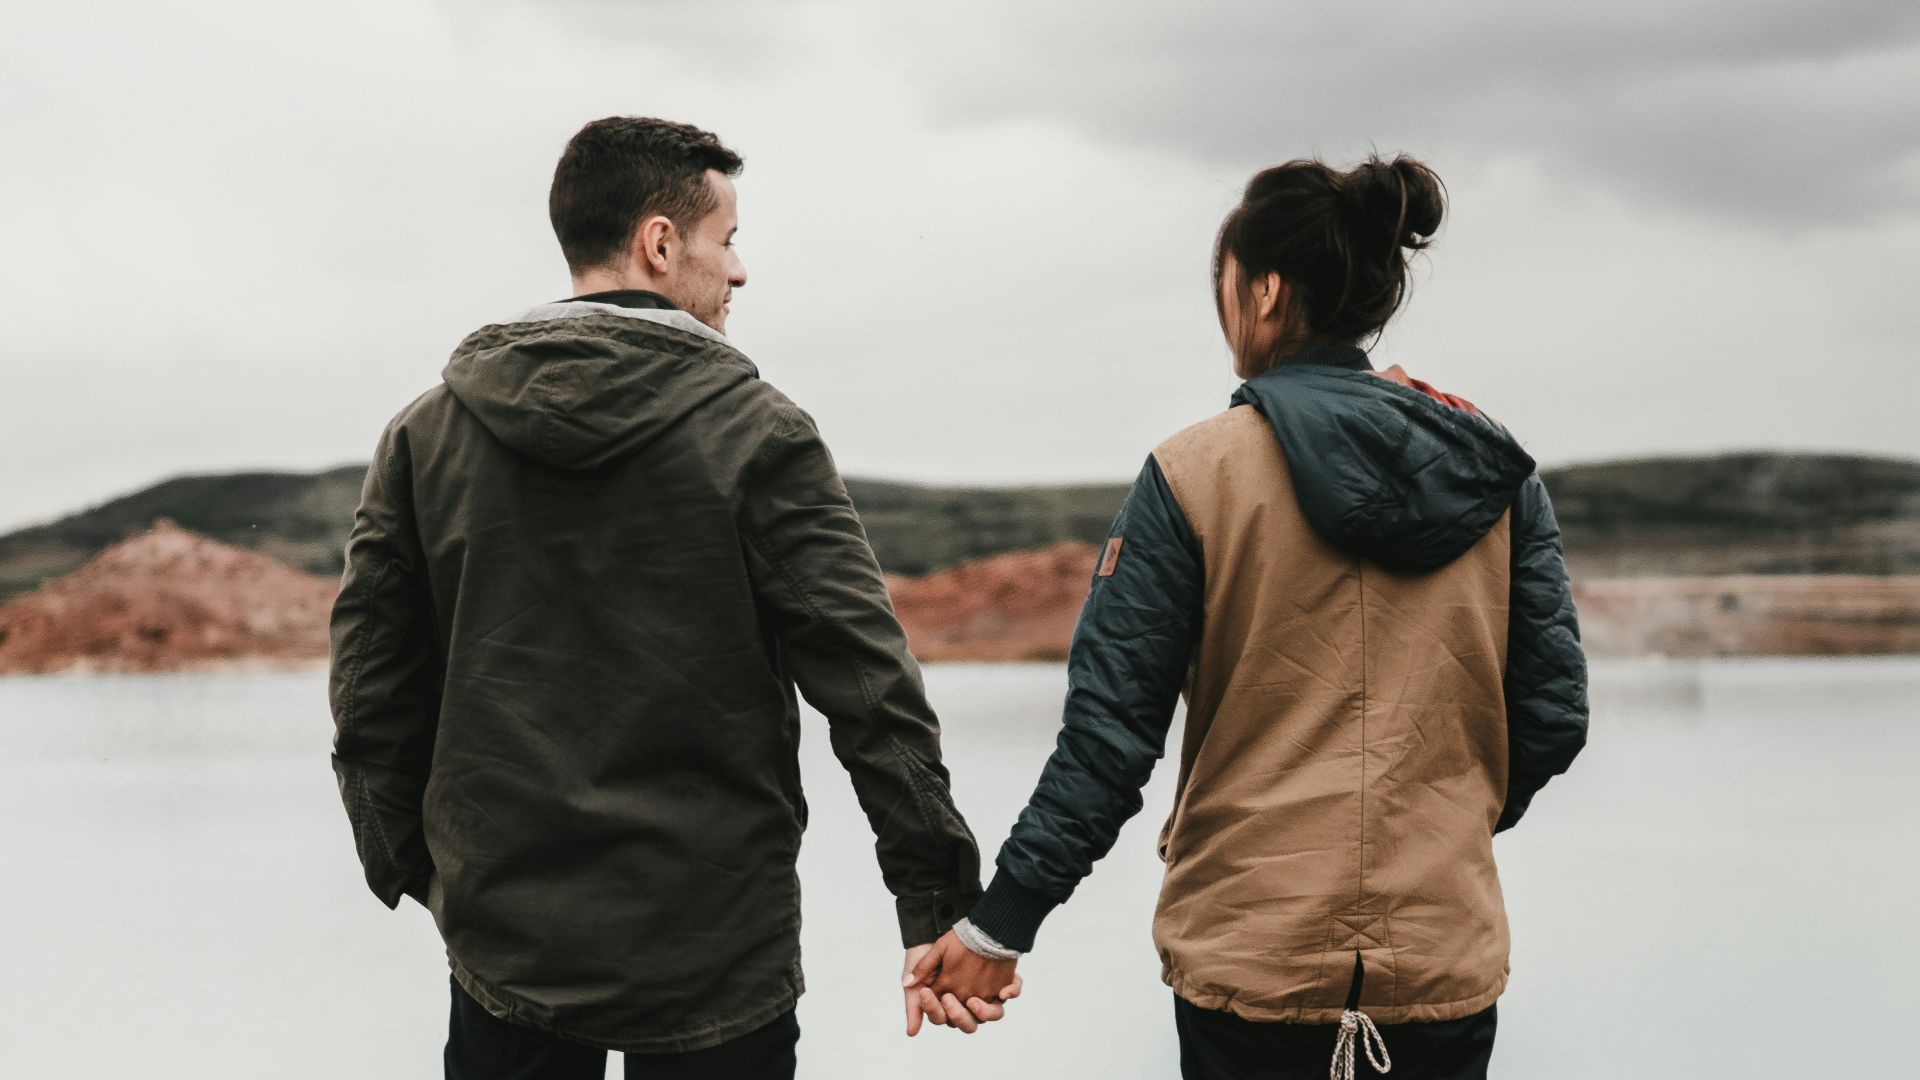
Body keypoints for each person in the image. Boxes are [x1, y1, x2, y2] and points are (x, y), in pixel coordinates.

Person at [327, 116, 1007, 1080]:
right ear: (658, 242)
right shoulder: (760, 433)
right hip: (717, 940)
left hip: (505, 934)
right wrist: (936, 902)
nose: (738, 273)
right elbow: (867, 684)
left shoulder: (425, 434)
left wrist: (418, 869)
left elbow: (367, 684)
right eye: (726, 241)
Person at [908, 154, 1590, 1079]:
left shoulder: (1191, 476)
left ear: (1266, 292)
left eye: (1223, 282)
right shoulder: (1497, 479)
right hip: (1440, 961)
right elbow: (1553, 715)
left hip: (1251, 969)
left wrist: (1000, 926)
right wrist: (1440, 827)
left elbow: (1108, 743)